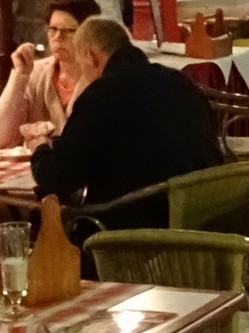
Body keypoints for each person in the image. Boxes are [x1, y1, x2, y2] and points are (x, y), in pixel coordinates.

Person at [32, 16, 225, 227]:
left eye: (81, 65)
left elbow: (59, 177)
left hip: (135, 234)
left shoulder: (103, 95)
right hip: (204, 219)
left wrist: (40, 149)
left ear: (91, 57)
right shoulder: (179, 81)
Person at [0, 0, 102, 149]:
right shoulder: (35, 72)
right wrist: (19, 75)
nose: (58, 37)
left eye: (68, 31)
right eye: (53, 29)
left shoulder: (102, 78)